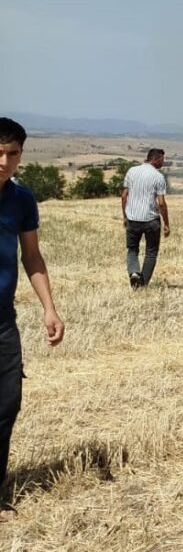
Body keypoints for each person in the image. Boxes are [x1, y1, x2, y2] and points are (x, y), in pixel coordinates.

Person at [0, 118, 64, 522]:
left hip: (3, 320)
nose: (4, 161)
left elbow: (32, 257)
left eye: (12, 154)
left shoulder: (22, 200)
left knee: (7, 404)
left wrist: (49, 307)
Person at [121, 148, 170, 288]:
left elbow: (124, 196)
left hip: (133, 218)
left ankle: (134, 273)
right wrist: (166, 223)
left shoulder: (132, 171)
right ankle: (142, 284)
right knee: (151, 253)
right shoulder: (158, 177)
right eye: (162, 160)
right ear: (156, 159)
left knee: (132, 250)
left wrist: (125, 216)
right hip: (151, 220)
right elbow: (161, 203)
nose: (163, 162)